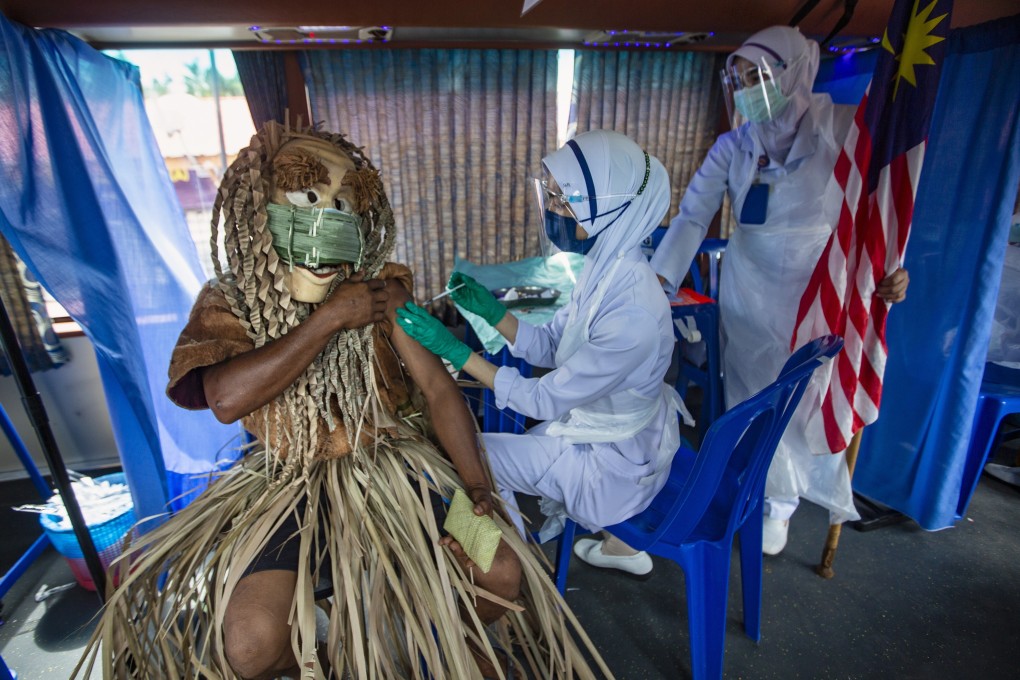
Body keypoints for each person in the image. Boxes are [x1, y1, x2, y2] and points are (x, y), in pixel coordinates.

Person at [74, 122, 611, 680]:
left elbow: (437, 388)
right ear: (261, 206)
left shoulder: (385, 292)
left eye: (343, 203)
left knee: (500, 571)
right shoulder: (230, 301)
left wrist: (476, 484)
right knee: (250, 647)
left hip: (400, 470)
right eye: (308, 197)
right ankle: (338, 654)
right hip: (285, 483)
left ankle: (412, 644)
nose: (328, 217)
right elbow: (225, 398)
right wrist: (330, 320)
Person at [648, 25, 909, 556]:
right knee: (750, 393)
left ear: (794, 74)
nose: (747, 89)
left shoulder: (844, 129)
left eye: (757, 77)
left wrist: (892, 268)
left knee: (804, 395)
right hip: (750, 288)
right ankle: (758, 490)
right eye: (740, 79)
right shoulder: (734, 145)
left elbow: (880, 201)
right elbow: (693, 216)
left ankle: (783, 504)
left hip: (819, 290)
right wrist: (657, 281)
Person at [397, 129, 692, 579]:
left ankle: (509, 573)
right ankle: (504, 553)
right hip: (601, 434)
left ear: (607, 209)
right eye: (552, 196)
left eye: (565, 201)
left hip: (612, 467)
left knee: (468, 457)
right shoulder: (607, 267)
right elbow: (554, 345)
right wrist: (494, 313)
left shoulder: (631, 315)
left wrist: (453, 350)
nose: (554, 210)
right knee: (483, 455)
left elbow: (544, 400)